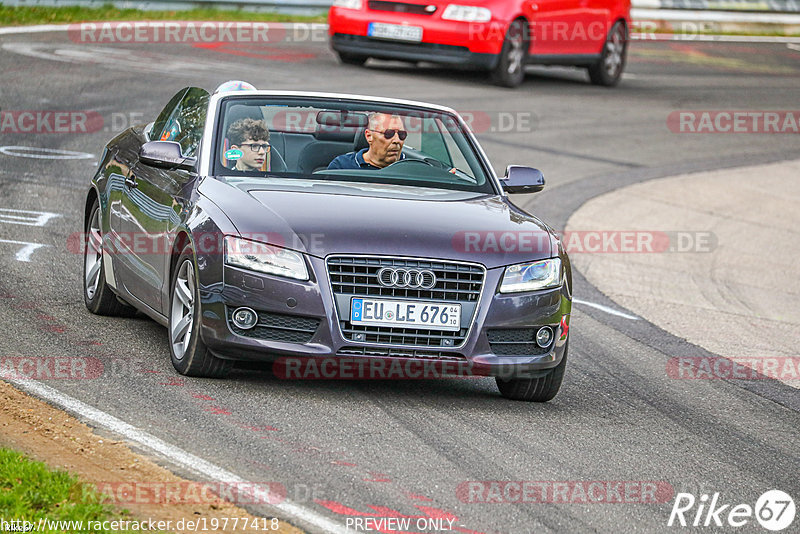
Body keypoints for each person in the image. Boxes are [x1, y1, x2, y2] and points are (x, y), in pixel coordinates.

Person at [328, 113, 407, 170]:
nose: (397, 140)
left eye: (402, 134)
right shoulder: (342, 166)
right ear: (369, 136)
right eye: (389, 134)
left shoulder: (411, 168)